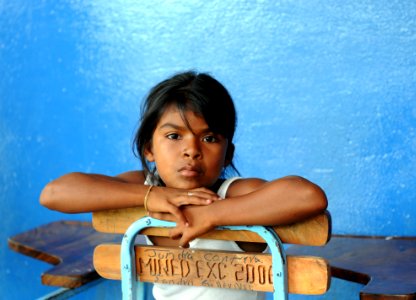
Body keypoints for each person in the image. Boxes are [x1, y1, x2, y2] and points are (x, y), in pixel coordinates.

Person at [40, 71, 328, 300]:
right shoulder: (145, 187)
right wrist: (151, 196)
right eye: (175, 136)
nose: (192, 150)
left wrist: (212, 214)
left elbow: (306, 195)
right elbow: (54, 193)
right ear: (148, 149)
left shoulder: (229, 193)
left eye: (210, 138)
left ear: (227, 154)